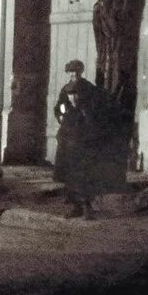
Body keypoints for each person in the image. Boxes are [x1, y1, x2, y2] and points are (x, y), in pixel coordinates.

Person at [54, 60, 103, 219]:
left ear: (81, 72)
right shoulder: (65, 88)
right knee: (70, 173)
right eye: (71, 72)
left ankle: (87, 208)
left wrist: (84, 112)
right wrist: (61, 115)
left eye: (76, 71)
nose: (73, 74)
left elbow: (95, 110)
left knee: (83, 173)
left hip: (83, 137)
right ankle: (75, 207)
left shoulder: (88, 88)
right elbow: (59, 107)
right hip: (68, 136)